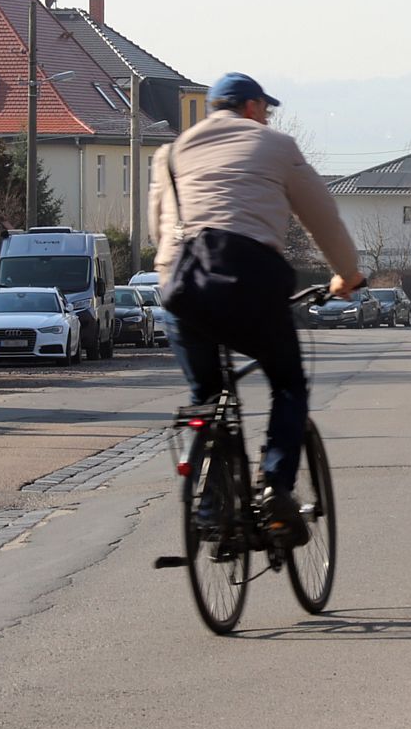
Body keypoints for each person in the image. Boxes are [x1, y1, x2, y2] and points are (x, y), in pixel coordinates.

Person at [149, 72, 363, 545]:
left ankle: (209, 505)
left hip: (181, 291)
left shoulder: (170, 154)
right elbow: (322, 217)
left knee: (206, 396)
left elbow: (157, 235)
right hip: (249, 285)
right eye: (264, 107)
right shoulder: (275, 145)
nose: (266, 116)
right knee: (287, 384)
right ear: (249, 107)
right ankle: (275, 489)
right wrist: (346, 274)